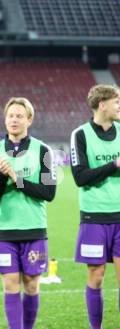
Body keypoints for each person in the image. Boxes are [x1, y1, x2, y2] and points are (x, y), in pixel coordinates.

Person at [0, 97, 56, 329]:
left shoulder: (43, 151)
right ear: (5, 120)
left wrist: (17, 178)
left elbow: (48, 192)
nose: (14, 120)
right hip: (5, 231)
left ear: (29, 119)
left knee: (32, 285)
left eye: (19, 116)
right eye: (10, 116)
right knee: (10, 285)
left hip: (34, 229)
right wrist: (3, 176)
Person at [71, 85, 120, 329]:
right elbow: (80, 177)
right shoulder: (80, 135)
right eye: (116, 102)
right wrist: (115, 165)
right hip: (94, 217)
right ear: (102, 104)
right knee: (96, 276)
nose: (119, 106)